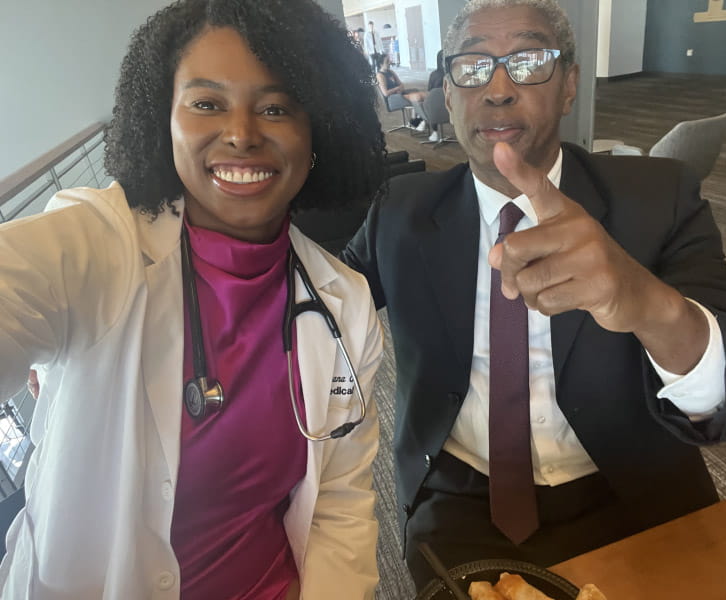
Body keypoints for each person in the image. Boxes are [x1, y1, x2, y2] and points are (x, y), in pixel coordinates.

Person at [341, 0, 726, 591]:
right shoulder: (400, 210)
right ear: (446, 93)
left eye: (527, 62)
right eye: (472, 67)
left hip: (630, 493)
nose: (498, 89)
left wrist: (647, 302)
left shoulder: (656, 198)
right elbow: (314, 308)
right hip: (460, 501)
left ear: (571, 84)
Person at [0, 0, 387, 598]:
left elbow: (338, 502)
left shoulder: (346, 302)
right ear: (164, 119)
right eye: (207, 103)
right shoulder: (98, 244)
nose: (241, 133)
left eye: (276, 107)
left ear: (321, 128)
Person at [376, 53, 428, 132]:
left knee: (418, 93)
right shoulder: (380, 75)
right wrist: (397, 88)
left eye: (389, 60)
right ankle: (417, 121)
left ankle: (417, 120)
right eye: (387, 61)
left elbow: (402, 85)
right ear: (381, 64)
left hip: (399, 94)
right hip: (392, 99)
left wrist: (398, 88)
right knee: (417, 97)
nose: (389, 62)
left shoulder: (391, 72)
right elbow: (385, 93)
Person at [426, 49, 446, 142]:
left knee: (428, 103)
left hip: (435, 109)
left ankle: (434, 132)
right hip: (452, 107)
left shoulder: (434, 74)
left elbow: (429, 90)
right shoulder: (454, 74)